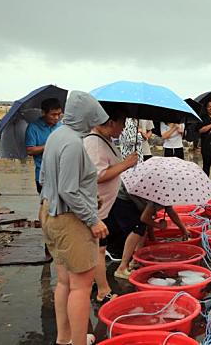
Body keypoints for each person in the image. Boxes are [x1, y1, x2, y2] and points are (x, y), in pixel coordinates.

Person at [39, 91, 109, 345]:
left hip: (51, 213)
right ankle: (79, 341)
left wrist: (90, 199)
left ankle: (64, 338)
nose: (94, 124)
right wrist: (92, 218)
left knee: (65, 283)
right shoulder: (73, 144)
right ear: (86, 117)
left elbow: (47, 180)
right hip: (70, 221)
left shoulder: (57, 135)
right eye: (93, 118)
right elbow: (67, 189)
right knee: (81, 287)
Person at [83, 109, 138, 303]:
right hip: (95, 207)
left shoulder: (104, 139)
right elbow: (98, 175)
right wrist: (126, 164)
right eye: (122, 123)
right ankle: (102, 291)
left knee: (98, 248)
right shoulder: (94, 143)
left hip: (104, 205)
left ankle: (93, 286)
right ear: (111, 122)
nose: (124, 128)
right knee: (97, 250)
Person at [112, 184, 190, 279]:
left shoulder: (165, 193)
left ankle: (135, 261)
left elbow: (170, 212)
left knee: (142, 227)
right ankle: (122, 268)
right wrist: (159, 226)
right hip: (122, 200)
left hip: (133, 199)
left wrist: (183, 229)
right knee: (137, 228)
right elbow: (145, 218)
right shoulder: (159, 195)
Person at [25, 98, 63, 193]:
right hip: (43, 175)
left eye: (59, 114)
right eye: (53, 115)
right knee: (46, 205)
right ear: (43, 113)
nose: (57, 118)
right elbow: (30, 150)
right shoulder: (33, 128)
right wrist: (49, 145)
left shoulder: (61, 126)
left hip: (61, 174)